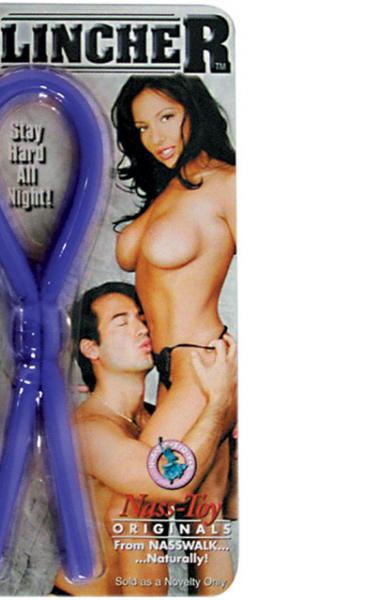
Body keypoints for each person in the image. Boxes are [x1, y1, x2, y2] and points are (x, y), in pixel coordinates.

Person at [112, 75, 237, 592]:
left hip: (203, 368)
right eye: (143, 127)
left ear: (194, 111)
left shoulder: (229, 184)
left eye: (166, 117)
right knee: (201, 521)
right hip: (169, 377)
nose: (155, 137)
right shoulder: (168, 189)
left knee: (135, 503)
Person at [52, 282, 237, 596]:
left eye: (141, 318)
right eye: (122, 322)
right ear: (91, 349)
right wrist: (218, 404)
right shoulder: (86, 429)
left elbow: (224, 507)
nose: (141, 329)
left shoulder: (158, 421)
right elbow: (168, 485)